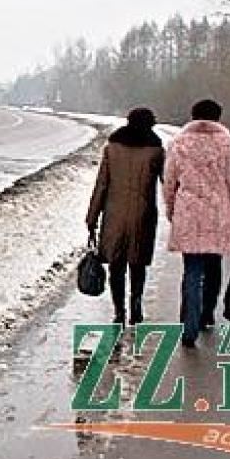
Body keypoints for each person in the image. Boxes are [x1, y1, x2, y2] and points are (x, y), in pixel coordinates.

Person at [163, 99, 230, 348]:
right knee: (213, 266)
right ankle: (206, 315)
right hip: (218, 213)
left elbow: (169, 181)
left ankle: (188, 327)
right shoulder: (228, 144)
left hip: (189, 213)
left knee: (191, 271)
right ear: (218, 118)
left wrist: (171, 209)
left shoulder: (179, 143)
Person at [86, 107, 165, 326]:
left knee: (116, 265)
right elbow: (167, 184)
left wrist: (92, 217)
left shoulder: (112, 148)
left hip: (114, 216)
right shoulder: (156, 150)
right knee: (138, 263)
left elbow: (102, 185)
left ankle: (119, 310)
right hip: (143, 216)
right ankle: (136, 305)